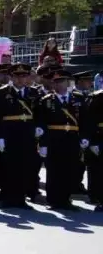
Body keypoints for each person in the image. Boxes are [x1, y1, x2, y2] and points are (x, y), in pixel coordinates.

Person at [0, 64, 39, 208]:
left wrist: (39, 128)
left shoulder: (33, 93)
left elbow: (40, 114)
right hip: (9, 134)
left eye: (23, 76)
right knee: (8, 167)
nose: (20, 79)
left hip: (27, 134)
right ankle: (8, 197)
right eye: (17, 76)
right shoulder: (2, 92)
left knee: (25, 167)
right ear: (11, 77)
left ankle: (21, 198)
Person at [36, 68, 86, 210]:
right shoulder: (46, 101)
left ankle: (66, 199)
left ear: (67, 82)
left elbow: (85, 120)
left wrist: (85, 137)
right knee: (53, 170)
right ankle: (53, 200)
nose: (58, 85)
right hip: (54, 139)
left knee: (69, 169)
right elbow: (42, 123)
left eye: (61, 81)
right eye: (55, 82)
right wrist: (43, 143)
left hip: (71, 139)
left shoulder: (78, 99)